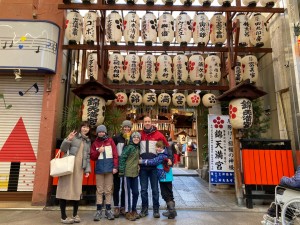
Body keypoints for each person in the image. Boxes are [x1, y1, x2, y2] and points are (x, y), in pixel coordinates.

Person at [56, 121, 91, 224]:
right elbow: (63, 149)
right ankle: (63, 216)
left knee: (77, 191)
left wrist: (87, 170)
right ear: (80, 128)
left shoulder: (88, 141)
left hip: (79, 169)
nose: (85, 129)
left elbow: (87, 157)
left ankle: (75, 215)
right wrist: (68, 139)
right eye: (84, 127)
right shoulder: (74, 136)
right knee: (64, 189)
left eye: (87, 127)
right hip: (68, 167)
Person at [139, 116, 169, 218]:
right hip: (142, 167)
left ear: (151, 122)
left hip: (154, 167)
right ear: (143, 123)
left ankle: (156, 209)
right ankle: (144, 209)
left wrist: (170, 160)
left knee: (155, 189)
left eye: (149, 121)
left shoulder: (158, 135)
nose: (147, 123)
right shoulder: (139, 135)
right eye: (145, 121)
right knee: (143, 189)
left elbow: (167, 147)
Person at [139, 140, 177, 219]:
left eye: (160, 147)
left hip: (165, 178)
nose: (158, 149)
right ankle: (171, 211)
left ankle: (172, 211)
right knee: (167, 193)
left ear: (163, 147)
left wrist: (141, 161)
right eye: (157, 147)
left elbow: (153, 162)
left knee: (166, 193)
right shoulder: (162, 154)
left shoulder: (162, 156)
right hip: (164, 177)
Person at [90, 125, 118, 221]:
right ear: (97, 133)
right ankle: (98, 210)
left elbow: (115, 155)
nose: (101, 133)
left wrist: (115, 167)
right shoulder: (95, 143)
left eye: (103, 132)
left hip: (110, 169)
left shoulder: (110, 141)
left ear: (105, 132)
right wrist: (98, 152)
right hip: (99, 170)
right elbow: (92, 157)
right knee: (99, 190)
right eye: (99, 132)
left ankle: (108, 210)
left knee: (108, 190)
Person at [112, 120, 132, 217]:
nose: (126, 128)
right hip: (118, 164)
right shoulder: (116, 138)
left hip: (128, 165)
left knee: (125, 187)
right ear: (122, 128)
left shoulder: (132, 138)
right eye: (125, 127)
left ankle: (123, 206)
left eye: (128, 127)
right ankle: (116, 206)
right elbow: (113, 152)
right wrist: (114, 165)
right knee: (116, 186)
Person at [119, 131, 141, 221]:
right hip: (127, 173)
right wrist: (121, 171)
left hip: (135, 173)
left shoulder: (138, 147)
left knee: (136, 192)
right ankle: (127, 212)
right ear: (132, 138)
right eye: (134, 137)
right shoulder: (128, 147)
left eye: (138, 137)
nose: (136, 138)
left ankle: (134, 209)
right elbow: (122, 158)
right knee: (127, 193)